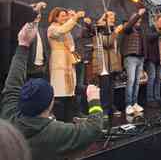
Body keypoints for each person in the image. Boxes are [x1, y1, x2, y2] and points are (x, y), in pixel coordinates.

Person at [0, 23, 103, 160]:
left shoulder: (9, 115)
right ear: (51, 103)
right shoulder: (57, 132)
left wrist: (23, 45)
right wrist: (94, 100)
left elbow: (13, 83)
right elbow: (94, 129)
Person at [47, 7, 85, 122]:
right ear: (55, 17)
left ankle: (68, 121)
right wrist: (74, 18)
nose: (65, 18)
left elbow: (70, 31)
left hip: (69, 62)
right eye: (62, 16)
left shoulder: (66, 29)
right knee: (59, 93)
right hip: (59, 63)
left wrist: (73, 19)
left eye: (65, 15)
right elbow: (61, 30)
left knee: (70, 94)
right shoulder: (52, 28)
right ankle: (60, 122)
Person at [91, 11, 123, 116]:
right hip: (102, 63)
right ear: (105, 19)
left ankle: (111, 106)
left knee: (111, 87)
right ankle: (104, 108)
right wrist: (115, 33)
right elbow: (107, 43)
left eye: (114, 17)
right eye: (111, 17)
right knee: (104, 88)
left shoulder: (111, 30)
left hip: (111, 63)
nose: (113, 19)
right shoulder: (98, 31)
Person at [121, 8, 147, 115]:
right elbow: (128, 26)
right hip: (130, 58)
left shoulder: (141, 31)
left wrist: (145, 56)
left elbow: (144, 45)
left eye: (140, 21)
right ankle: (128, 105)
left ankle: (135, 103)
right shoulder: (128, 29)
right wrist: (138, 14)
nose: (138, 23)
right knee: (131, 81)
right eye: (137, 21)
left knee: (137, 82)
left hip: (140, 58)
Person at [144, 14, 161, 108]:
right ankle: (150, 99)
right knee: (152, 78)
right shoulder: (150, 28)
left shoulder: (160, 32)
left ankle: (157, 97)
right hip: (151, 58)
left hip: (159, 58)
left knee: (158, 79)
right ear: (156, 21)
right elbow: (150, 37)